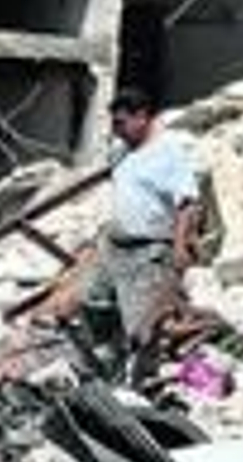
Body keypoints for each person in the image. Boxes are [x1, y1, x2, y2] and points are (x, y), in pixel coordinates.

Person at [78, 87, 203, 374]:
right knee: (91, 298)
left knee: (141, 325)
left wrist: (180, 246)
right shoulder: (121, 151)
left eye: (121, 123)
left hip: (148, 250)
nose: (116, 130)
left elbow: (187, 203)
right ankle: (111, 353)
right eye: (114, 123)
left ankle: (143, 377)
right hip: (115, 245)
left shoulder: (169, 153)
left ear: (142, 117)